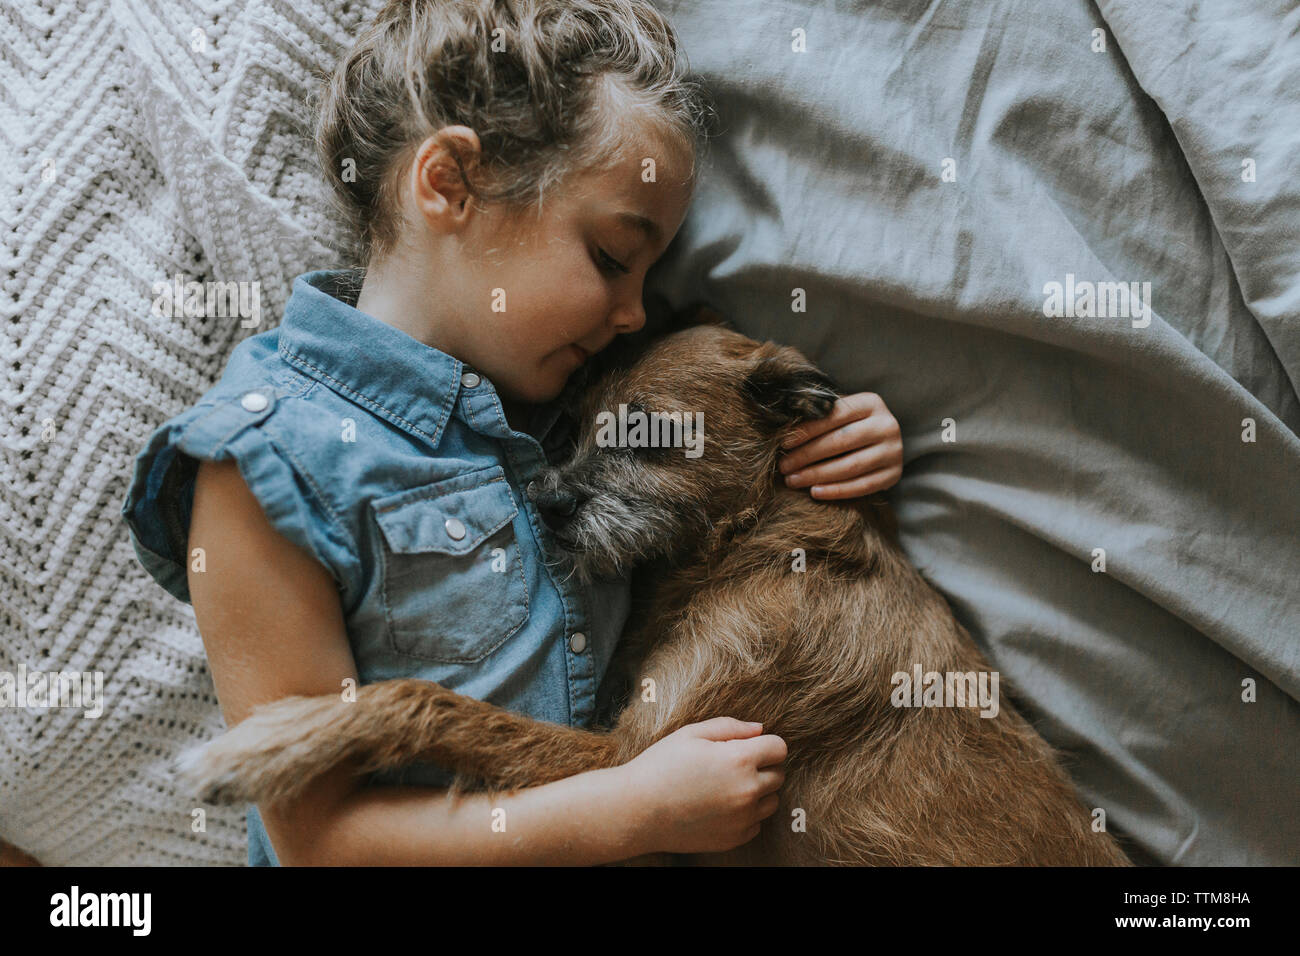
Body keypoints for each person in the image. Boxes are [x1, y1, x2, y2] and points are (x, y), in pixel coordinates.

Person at [121, 0, 904, 865]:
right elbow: (318, 843)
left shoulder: (583, 382)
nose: (636, 310)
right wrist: (628, 811)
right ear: (449, 182)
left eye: (649, 272)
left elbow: (730, 421)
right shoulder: (265, 461)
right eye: (611, 256)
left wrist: (842, 433)